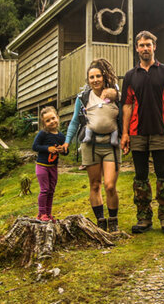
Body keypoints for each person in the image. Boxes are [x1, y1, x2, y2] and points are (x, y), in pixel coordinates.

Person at [121, 31, 164, 234]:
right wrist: (125, 134)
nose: (145, 48)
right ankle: (143, 218)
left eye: (148, 44)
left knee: (163, 174)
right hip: (137, 133)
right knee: (140, 177)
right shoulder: (130, 76)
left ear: (154, 46)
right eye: (141, 45)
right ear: (137, 48)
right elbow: (127, 106)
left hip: (160, 131)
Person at [63, 58, 122, 232]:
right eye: (91, 77)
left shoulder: (113, 94)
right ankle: (101, 221)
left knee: (110, 185)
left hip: (111, 144)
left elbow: (124, 115)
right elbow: (74, 122)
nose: (95, 80)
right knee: (95, 184)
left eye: (98, 76)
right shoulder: (83, 98)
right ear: (88, 80)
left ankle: (113, 221)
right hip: (91, 145)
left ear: (104, 77)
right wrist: (67, 141)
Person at [32, 106, 66, 222]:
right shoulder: (43, 134)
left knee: (51, 190)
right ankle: (41, 213)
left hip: (53, 167)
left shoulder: (61, 136)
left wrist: (63, 150)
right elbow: (35, 146)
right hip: (42, 166)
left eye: (53, 118)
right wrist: (48, 149)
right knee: (44, 190)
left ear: (57, 117)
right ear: (44, 124)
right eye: (48, 120)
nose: (52, 121)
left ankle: (48, 213)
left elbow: (66, 151)